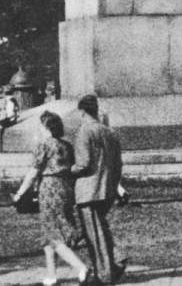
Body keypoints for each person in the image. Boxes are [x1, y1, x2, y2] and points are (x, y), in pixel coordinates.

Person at [12, 110, 90, 286]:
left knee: (53, 235)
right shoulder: (66, 146)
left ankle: (81, 268)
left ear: (46, 127)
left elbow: (34, 171)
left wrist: (19, 193)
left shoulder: (44, 145)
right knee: (49, 231)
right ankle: (51, 274)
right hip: (66, 188)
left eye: (40, 125)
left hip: (49, 188)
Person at [71, 94, 125, 286]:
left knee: (94, 234)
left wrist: (69, 170)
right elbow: (118, 163)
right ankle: (116, 260)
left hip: (88, 190)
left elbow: (83, 163)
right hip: (107, 189)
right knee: (100, 228)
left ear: (82, 111)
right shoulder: (109, 132)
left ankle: (104, 275)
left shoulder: (85, 131)